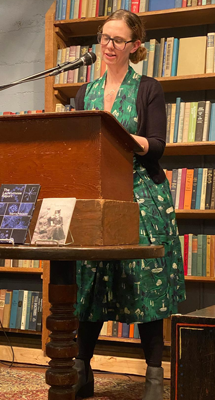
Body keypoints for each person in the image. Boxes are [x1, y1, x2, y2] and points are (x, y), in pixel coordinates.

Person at [73, 9, 185, 400]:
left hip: (141, 196)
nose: (108, 45)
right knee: (90, 286)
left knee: (145, 287)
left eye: (118, 40)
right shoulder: (83, 93)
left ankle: (154, 379)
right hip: (98, 197)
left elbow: (156, 146)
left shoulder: (148, 89)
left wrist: (119, 134)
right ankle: (80, 373)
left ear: (135, 46)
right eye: (104, 37)